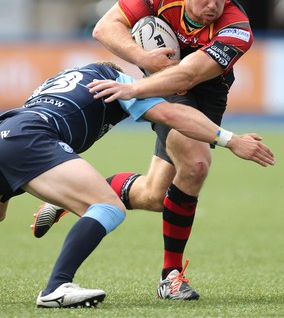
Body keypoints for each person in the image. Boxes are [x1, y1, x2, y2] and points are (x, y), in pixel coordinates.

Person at [0, 61, 274, 308]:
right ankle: (57, 287)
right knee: (108, 207)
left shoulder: (64, 78)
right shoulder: (116, 81)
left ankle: (64, 200)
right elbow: (174, 116)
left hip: (10, 129)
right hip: (32, 138)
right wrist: (231, 140)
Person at [89, 0, 260, 300]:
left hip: (205, 88)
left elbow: (187, 75)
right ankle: (171, 277)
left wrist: (135, 87)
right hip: (162, 77)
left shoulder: (237, 28)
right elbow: (104, 27)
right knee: (197, 164)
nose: (213, 3)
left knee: (154, 195)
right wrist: (141, 59)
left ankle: (84, 191)